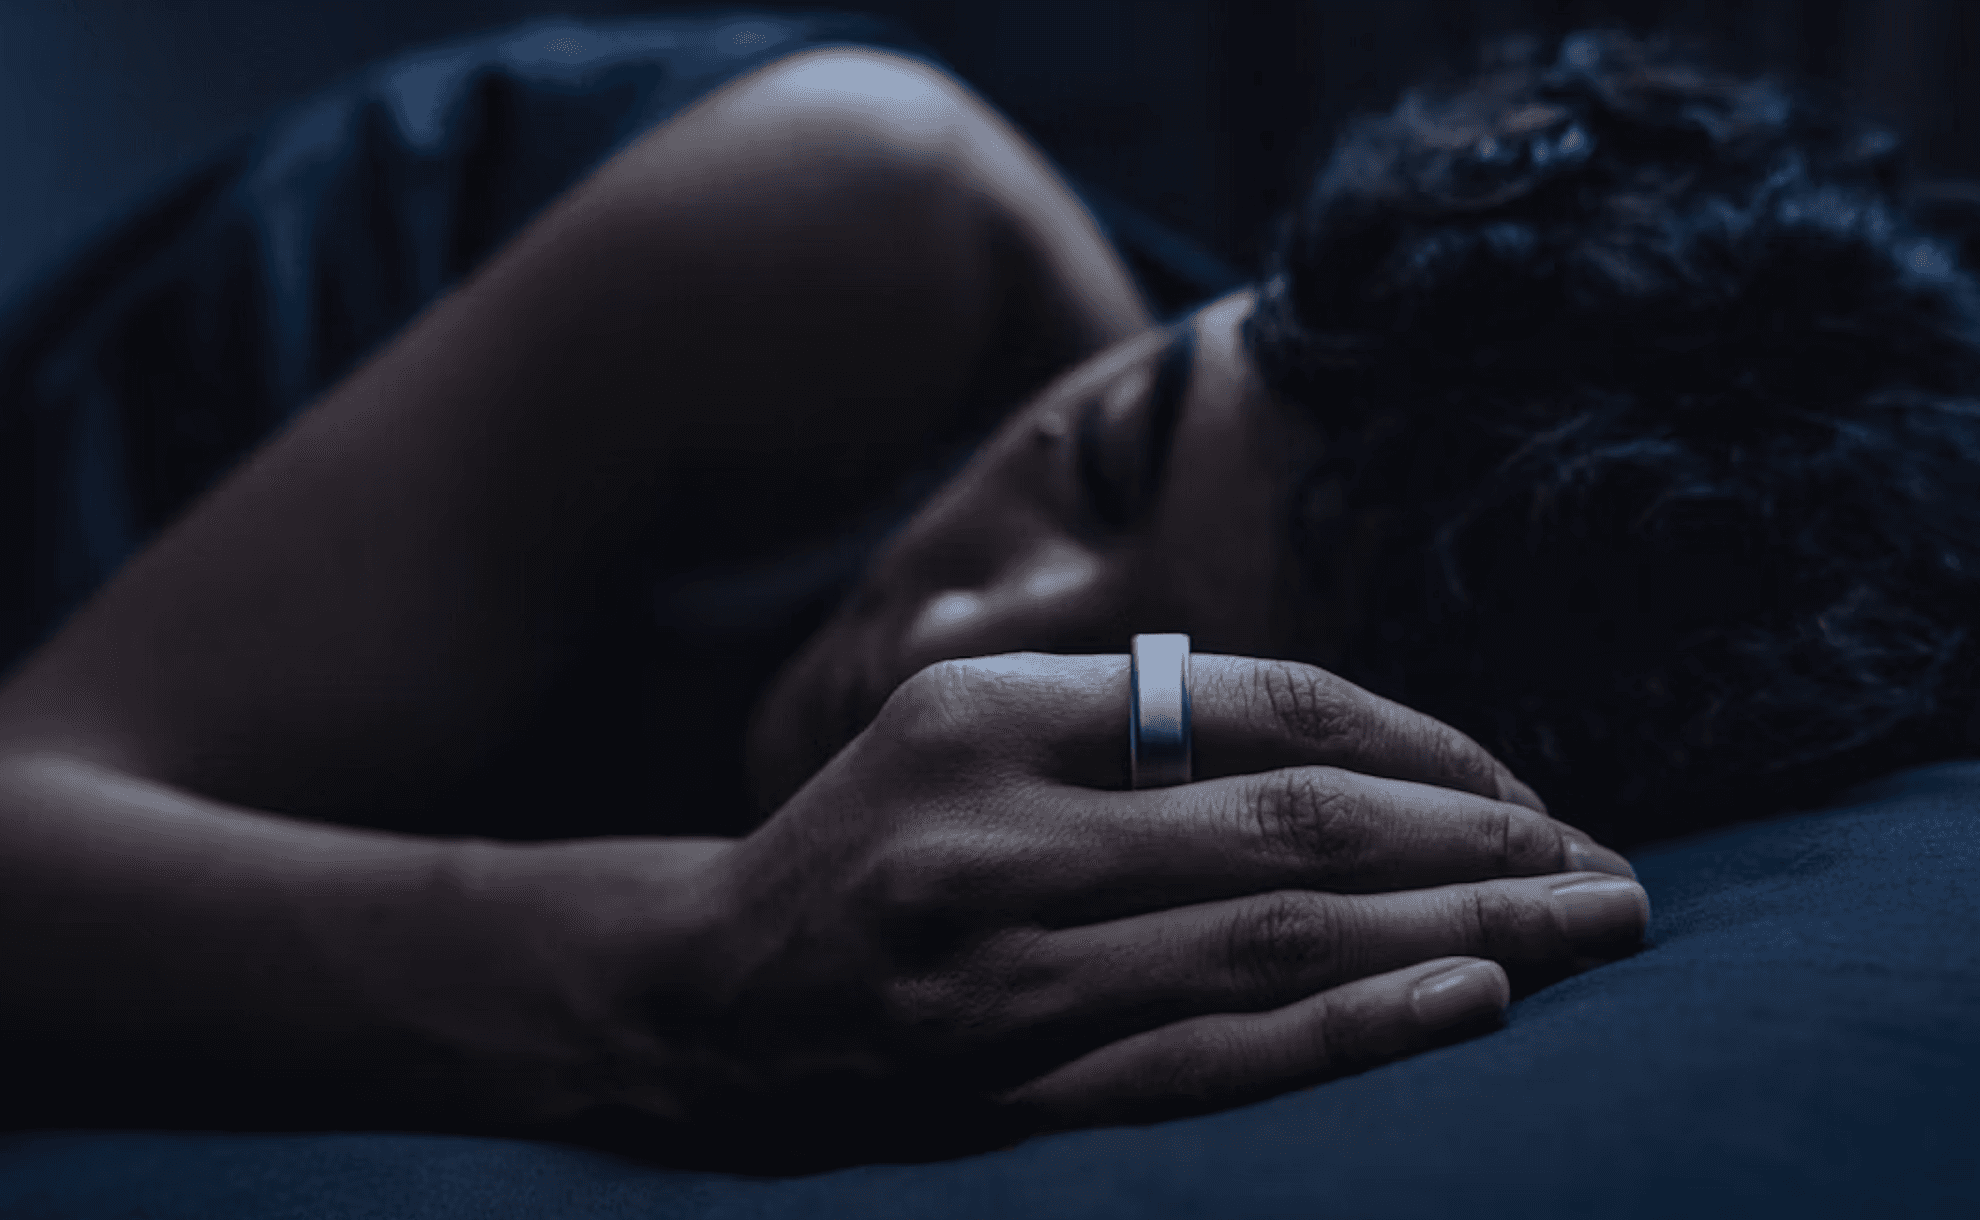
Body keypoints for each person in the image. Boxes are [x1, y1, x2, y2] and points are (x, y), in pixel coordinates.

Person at [0, 21, 1960, 1176]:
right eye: (1096, 452)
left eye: (1141, 711)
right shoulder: (847, 206)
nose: (949, 647)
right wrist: (677, 976)